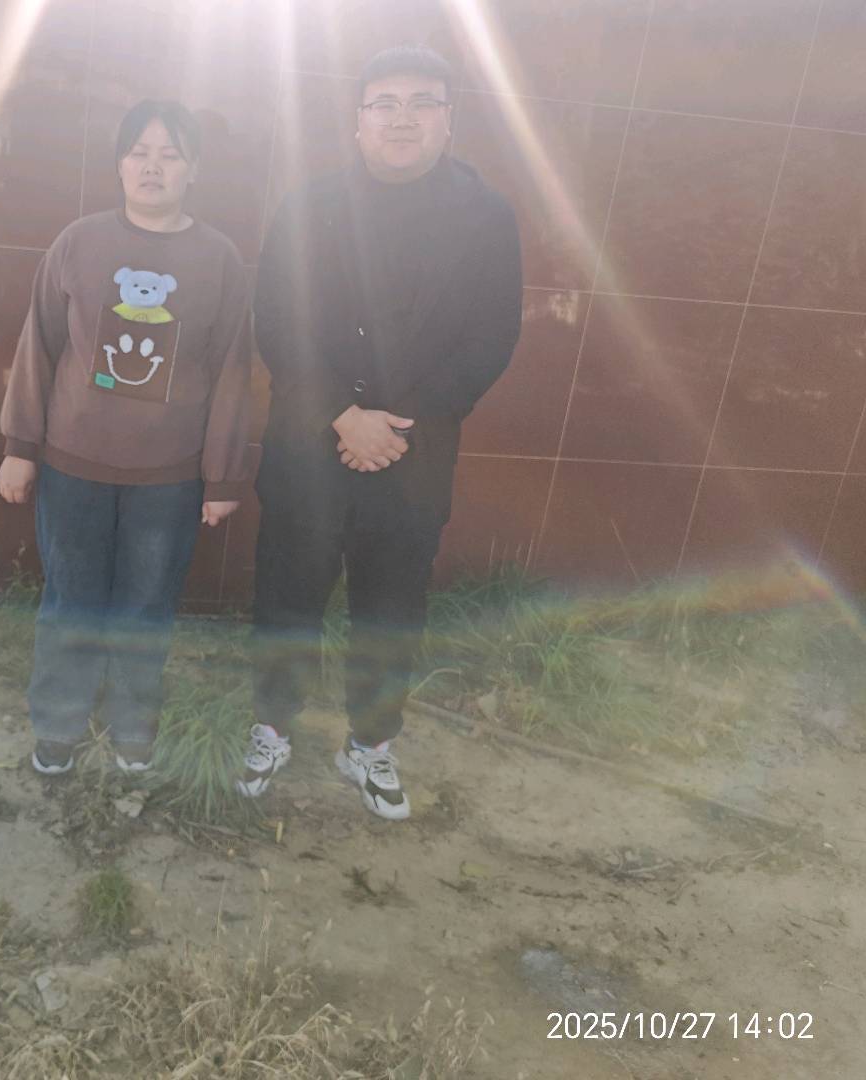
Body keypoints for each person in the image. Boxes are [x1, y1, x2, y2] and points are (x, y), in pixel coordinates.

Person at [241, 46, 522, 819]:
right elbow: (278, 317)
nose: (403, 118)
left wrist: (394, 427)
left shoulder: (486, 217)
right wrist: (343, 414)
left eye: (422, 102)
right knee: (287, 596)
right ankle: (272, 726)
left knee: (392, 610)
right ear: (359, 122)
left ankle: (369, 745)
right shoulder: (310, 206)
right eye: (385, 104)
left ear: (449, 120)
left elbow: (492, 338)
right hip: (309, 443)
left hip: (414, 453)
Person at [0, 100, 253, 776]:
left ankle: (134, 726)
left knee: (146, 609)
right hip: (72, 466)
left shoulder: (219, 259)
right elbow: (38, 347)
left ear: (194, 170)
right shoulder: (78, 244)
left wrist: (223, 477)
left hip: (168, 477)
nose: (152, 167)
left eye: (170, 155)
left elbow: (232, 372)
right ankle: (58, 726)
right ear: (118, 163)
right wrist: (20, 447)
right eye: (140, 152)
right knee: (70, 603)